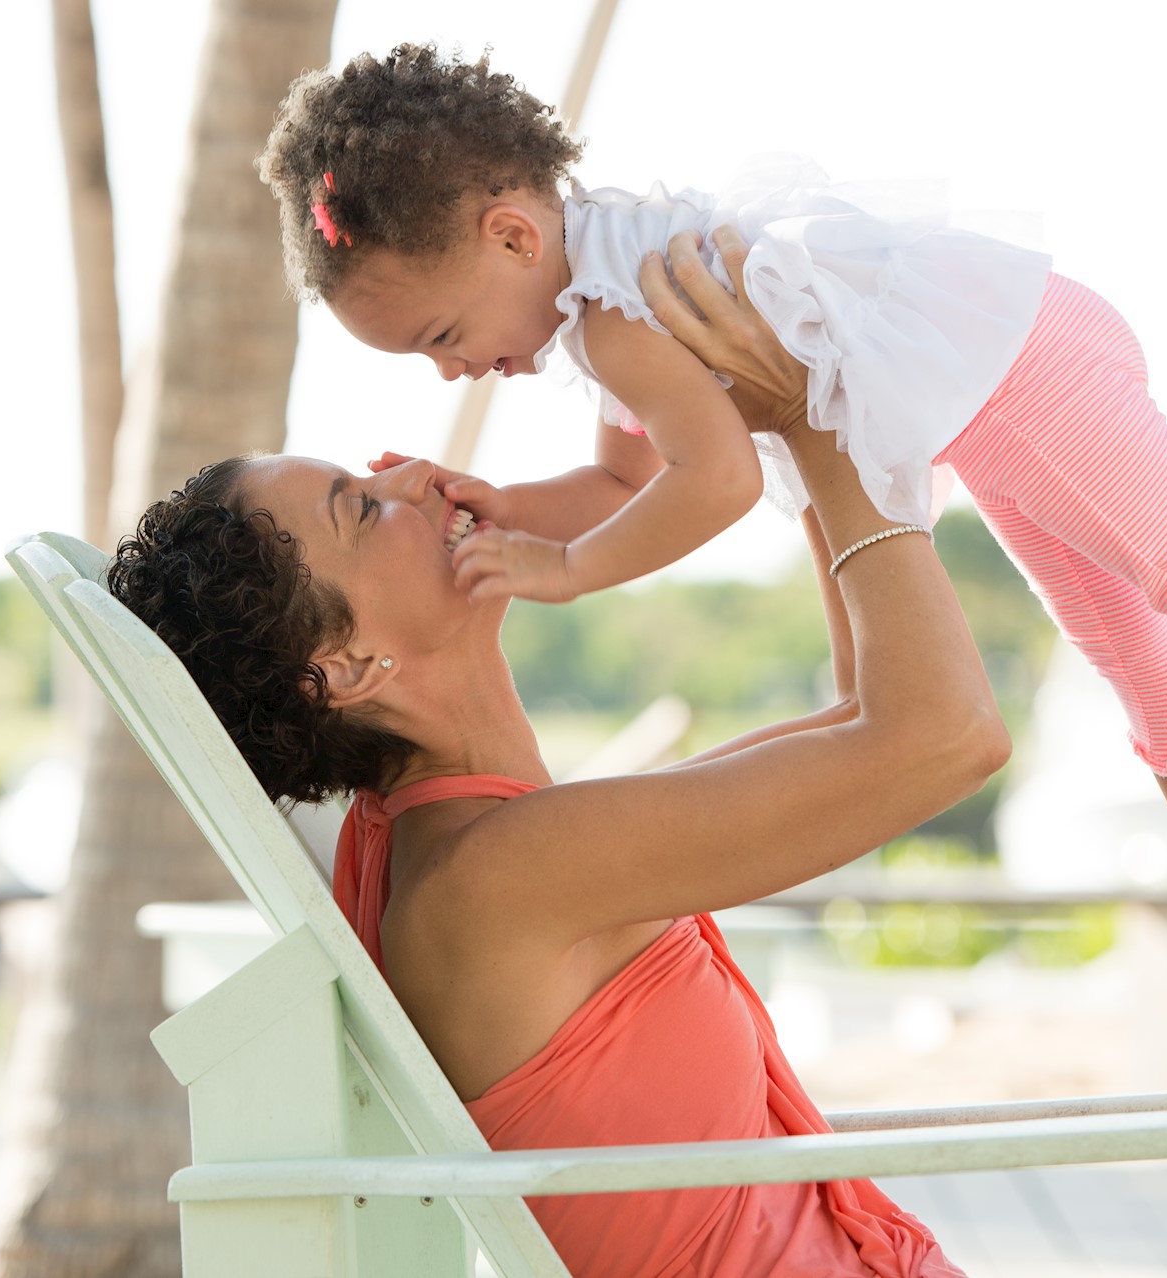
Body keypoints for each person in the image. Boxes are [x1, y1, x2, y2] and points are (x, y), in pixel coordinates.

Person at [256, 43, 1167, 1004]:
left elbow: (712, 485)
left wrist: (560, 574)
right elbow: (627, 489)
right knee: (1120, 631)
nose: (455, 374)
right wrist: (506, 511)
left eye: (441, 337)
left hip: (1017, 372)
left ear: (513, 235)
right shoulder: (599, 287)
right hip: (988, 387)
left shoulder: (620, 319)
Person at [108, 228, 1008, 1275]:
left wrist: (786, 426)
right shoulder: (493, 877)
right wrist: (811, 401)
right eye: (363, 502)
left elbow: (868, 711)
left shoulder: (495, 838)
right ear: (347, 667)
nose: (411, 472)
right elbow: (946, 737)